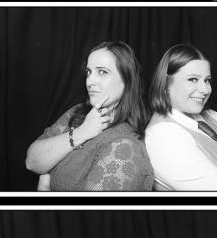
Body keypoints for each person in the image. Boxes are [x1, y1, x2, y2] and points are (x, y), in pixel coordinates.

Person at [25, 41, 153, 191]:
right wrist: (82, 132)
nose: (90, 81)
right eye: (88, 72)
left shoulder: (125, 146)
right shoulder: (77, 112)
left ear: (127, 79)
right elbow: (31, 162)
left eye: (102, 72)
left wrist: (45, 187)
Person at [144, 44, 217, 191]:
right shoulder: (162, 136)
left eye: (207, 80)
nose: (205, 89)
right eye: (193, 79)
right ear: (166, 84)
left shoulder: (210, 116)